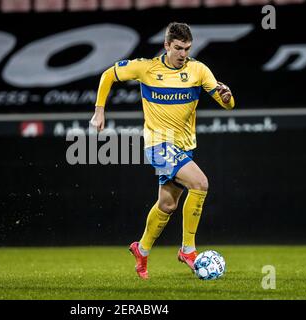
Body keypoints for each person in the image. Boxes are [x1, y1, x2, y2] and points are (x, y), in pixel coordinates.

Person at [90, 22, 235, 279]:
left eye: (187, 48)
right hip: (158, 144)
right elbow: (108, 75)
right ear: (166, 45)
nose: (183, 54)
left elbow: (227, 104)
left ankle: (141, 249)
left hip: (184, 146)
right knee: (200, 183)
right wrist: (99, 110)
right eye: (178, 48)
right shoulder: (146, 68)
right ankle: (188, 250)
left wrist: (226, 98)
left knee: (167, 206)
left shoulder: (198, 70)